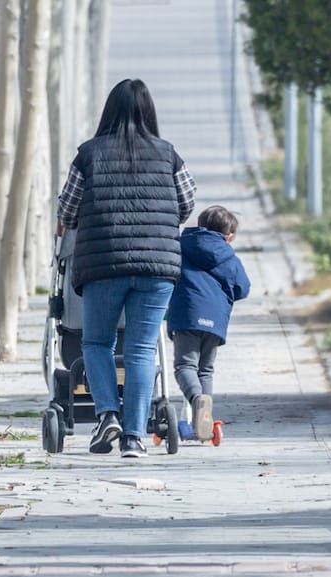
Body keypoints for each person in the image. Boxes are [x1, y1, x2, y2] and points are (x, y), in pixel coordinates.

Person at [56, 78, 196, 459]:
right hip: (157, 267)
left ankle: (107, 415)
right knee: (139, 349)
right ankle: (134, 438)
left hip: (103, 265)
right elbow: (186, 203)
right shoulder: (169, 155)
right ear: (149, 111)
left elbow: (67, 211)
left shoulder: (88, 154)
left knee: (97, 342)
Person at [167, 206, 250, 441]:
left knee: (185, 367)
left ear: (200, 225)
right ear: (229, 236)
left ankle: (196, 402)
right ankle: (205, 420)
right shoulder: (229, 257)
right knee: (205, 369)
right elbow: (242, 289)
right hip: (215, 320)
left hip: (187, 313)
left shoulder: (180, 245)